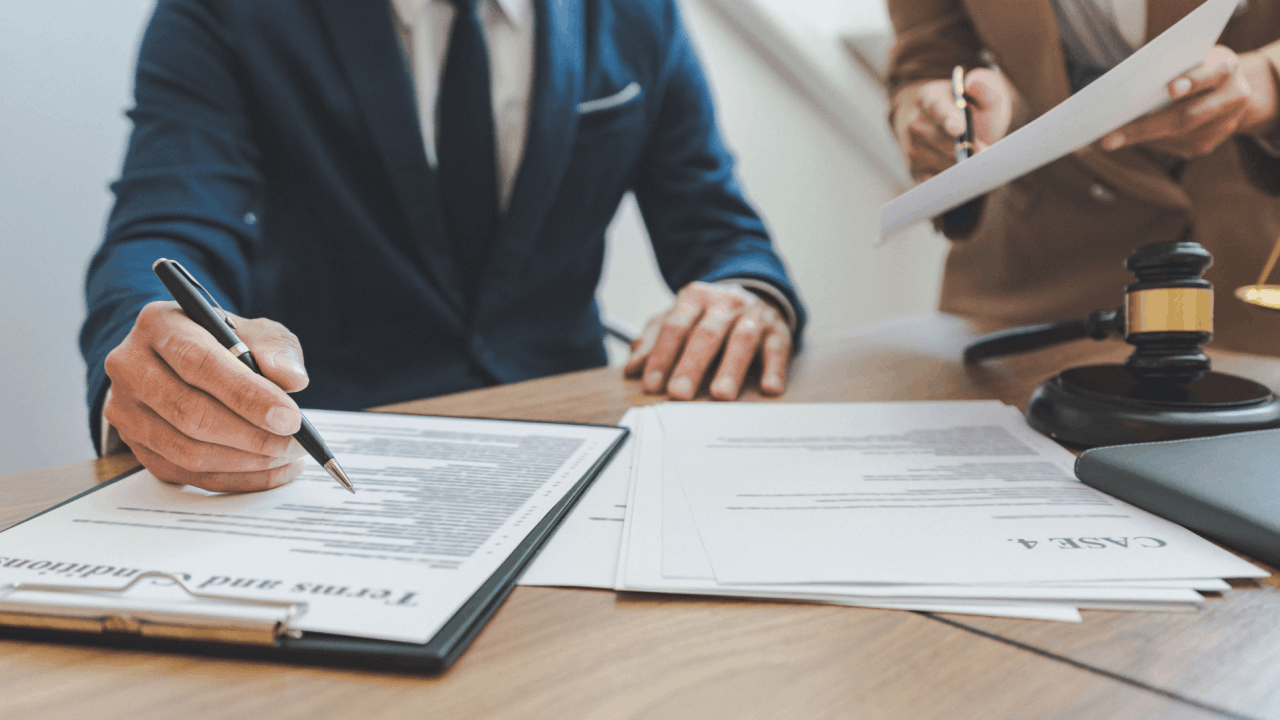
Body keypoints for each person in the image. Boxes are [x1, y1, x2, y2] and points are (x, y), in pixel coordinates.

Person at [80, 0, 805, 492]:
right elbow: (166, 226)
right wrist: (154, 351)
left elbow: (719, 229)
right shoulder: (223, 13)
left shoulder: (639, 13)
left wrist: (744, 294)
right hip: (327, 455)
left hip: (579, 447)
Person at [887, 0, 1280, 356]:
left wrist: (1269, 81)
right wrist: (947, 118)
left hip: (1248, 285)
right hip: (1036, 293)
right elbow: (928, 59)